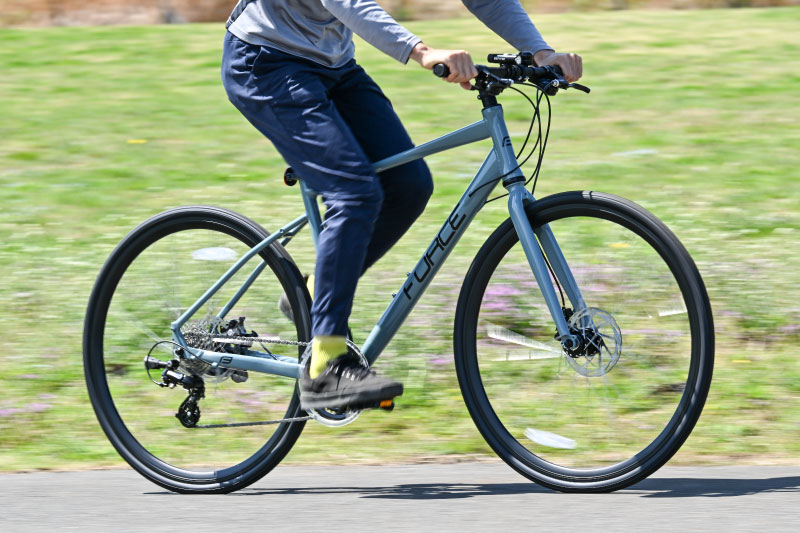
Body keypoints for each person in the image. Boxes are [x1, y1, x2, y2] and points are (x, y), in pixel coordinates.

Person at [221, 0, 582, 411]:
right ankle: (324, 368)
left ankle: (313, 292)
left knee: (409, 185)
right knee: (354, 194)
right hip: (266, 62)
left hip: (333, 64)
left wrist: (540, 52)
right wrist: (423, 52)